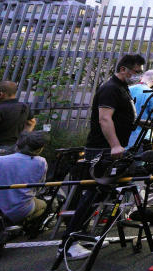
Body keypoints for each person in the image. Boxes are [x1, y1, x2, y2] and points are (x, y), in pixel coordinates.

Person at [62, 54, 145, 260]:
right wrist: (115, 145)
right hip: (102, 149)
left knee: (99, 196)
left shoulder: (121, 88)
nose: (138, 75)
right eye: (136, 71)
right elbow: (104, 119)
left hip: (109, 148)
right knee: (91, 195)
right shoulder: (110, 88)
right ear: (124, 69)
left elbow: (118, 116)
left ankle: (82, 236)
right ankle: (68, 243)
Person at [127, 69, 153, 149]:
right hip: (141, 137)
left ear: (142, 77)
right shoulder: (152, 94)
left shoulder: (128, 89)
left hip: (123, 135)